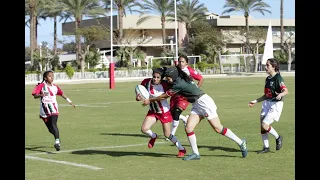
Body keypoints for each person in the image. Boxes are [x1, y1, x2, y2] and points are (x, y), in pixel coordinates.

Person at [142, 66, 248, 160]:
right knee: (188, 128)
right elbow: (167, 71)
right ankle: (196, 153)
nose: (167, 80)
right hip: (197, 104)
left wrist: (150, 100)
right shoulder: (178, 77)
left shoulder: (178, 84)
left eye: (168, 78)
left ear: (173, 76)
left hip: (204, 103)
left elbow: (165, 96)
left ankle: (240, 142)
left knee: (218, 128)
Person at [136, 67, 186, 157]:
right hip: (153, 111)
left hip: (164, 112)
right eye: (154, 76)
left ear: (161, 78)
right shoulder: (145, 82)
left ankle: (181, 149)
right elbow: (141, 93)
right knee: (144, 129)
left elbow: (164, 97)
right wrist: (138, 98)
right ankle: (154, 136)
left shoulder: (165, 84)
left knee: (167, 134)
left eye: (158, 77)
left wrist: (150, 100)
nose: (155, 79)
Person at [248, 58, 288, 153]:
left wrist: (280, 95)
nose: (265, 67)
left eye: (267, 65)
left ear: (273, 67)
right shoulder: (267, 79)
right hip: (267, 103)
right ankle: (266, 147)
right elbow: (267, 95)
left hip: (276, 104)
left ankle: (278, 137)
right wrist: (255, 101)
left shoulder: (278, 78)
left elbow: (285, 91)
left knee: (265, 125)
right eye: (266, 65)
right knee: (262, 126)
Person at [31, 70, 76, 151]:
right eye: (50, 76)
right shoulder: (41, 86)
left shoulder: (55, 87)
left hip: (53, 107)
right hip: (44, 109)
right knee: (50, 129)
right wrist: (42, 94)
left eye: (52, 76)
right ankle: (57, 137)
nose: (52, 78)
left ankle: (57, 142)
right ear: (45, 78)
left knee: (53, 124)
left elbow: (61, 93)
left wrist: (69, 101)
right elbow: (35, 95)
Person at [167, 55, 204, 140]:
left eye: (183, 61)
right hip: (175, 94)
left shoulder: (189, 70)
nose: (181, 63)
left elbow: (201, 79)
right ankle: (184, 119)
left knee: (176, 112)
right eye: (179, 61)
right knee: (172, 113)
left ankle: (171, 135)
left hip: (184, 96)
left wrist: (195, 90)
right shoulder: (175, 69)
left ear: (186, 62)